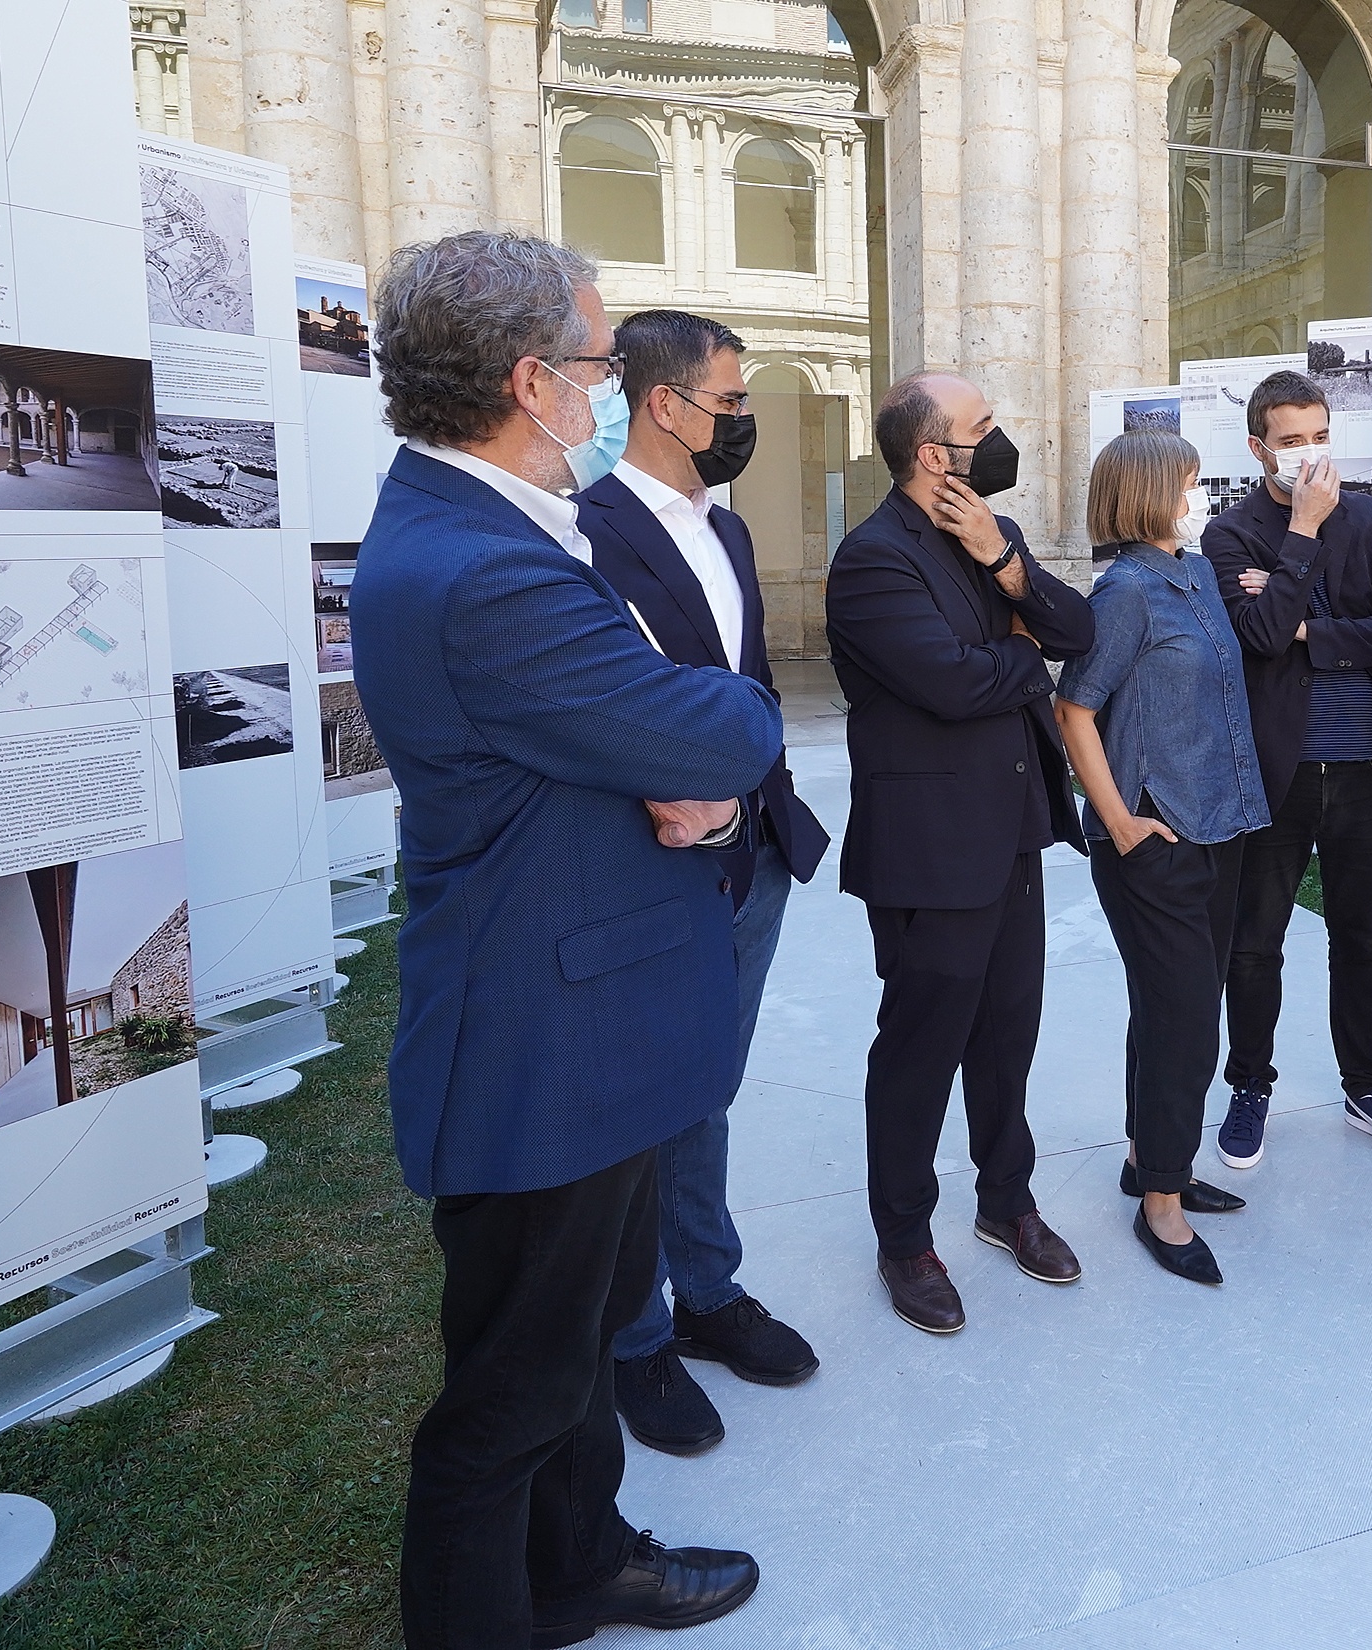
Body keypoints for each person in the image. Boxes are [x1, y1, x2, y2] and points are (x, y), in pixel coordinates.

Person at [352, 232, 779, 1648]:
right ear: (533, 383)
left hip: (584, 1014)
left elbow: (640, 739)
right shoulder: (486, 569)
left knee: (582, 1342)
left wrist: (669, 756)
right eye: (598, 362)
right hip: (543, 1041)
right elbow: (725, 725)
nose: (609, 388)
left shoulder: (488, 525)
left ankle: (581, 1564)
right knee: (510, 1396)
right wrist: (701, 735)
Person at [574, 308, 831, 1456]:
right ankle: (634, 1336)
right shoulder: (584, 534)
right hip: (657, 862)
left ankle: (708, 1293)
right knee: (641, 1099)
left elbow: (748, 679)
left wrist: (760, 805)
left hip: (753, 856)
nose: (743, 420)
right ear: (663, 405)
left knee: (706, 1089)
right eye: (731, 402)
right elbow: (598, 708)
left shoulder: (725, 531)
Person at [825, 370, 1096, 1333]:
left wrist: (1008, 570)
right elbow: (949, 682)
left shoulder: (990, 529)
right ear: (933, 453)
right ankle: (904, 1240)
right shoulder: (872, 559)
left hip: (1012, 829)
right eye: (984, 425)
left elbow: (1078, 629)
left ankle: (1004, 1202)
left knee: (1006, 1034)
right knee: (920, 1049)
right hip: (930, 849)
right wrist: (1022, 653)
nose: (1001, 436)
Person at [1201, 371, 1372, 1175]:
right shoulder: (1230, 534)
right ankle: (1248, 1086)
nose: (1308, 453)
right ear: (1256, 448)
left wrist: (1305, 623)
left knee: (1360, 936)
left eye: (1318, 436)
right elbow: (1256, 639)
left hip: (1366, 763)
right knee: (1254, 942)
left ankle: (1368, 1088)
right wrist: (1301, 533)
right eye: (1290, 441)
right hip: (1276, 768)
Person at [1056, 431, 1271, 1283]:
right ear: (1150, 492)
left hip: (1220, 825)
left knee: (1172, 1013)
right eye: (1188, 482)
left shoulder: (1197, 574)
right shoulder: (1125, 592)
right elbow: (1074, 709)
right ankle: (1161, 1205)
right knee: (1183, 1023)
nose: (1198, 496)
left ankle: (1149, 1160)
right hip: (1155, 836)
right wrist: (1117, 821)